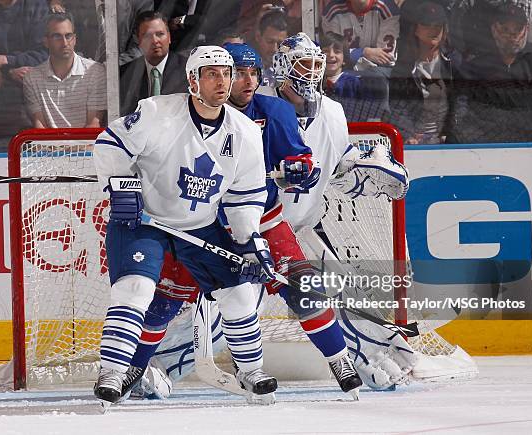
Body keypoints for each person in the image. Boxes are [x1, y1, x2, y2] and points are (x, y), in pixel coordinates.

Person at [108, 42, 365, 401]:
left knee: (303, 287)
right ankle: (133, 368)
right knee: (163, 303)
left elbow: (304, 162)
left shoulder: (273, 112)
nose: (243, 81)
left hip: (262, 221)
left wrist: (299, 169)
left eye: (250, 73)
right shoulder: (185, 114)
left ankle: (340, 361)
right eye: (234, 72)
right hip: (199, 227)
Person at [92, 45, 278, 405]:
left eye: (227, 74)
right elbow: (110, 145)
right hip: (145, 221)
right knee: (135, 290)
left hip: (201, 225)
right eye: (212, 74)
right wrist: (121, 185)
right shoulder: (156, 112)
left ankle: (251, 370)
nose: (222, 81)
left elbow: (244, 197)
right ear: (193, 80)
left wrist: (250, 239)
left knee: (239, 292)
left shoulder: (245, 133)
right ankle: (112, 372)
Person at [449, 1, 532, 143]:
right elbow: (464, 109)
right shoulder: (476, 67)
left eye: (517, 29)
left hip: (531, 144)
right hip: (487, 144)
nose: (512, 35)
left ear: (526, 29)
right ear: (494, 29)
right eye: (505, 29)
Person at [387, 1, 459, 144]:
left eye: (438, 26)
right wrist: (408, 135)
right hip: (414, 144)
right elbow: (396, 108)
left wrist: (450, 133)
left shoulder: (453, 63)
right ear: (416, 29)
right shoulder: (403, 69)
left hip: (447, 143)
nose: (433, 30)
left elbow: (461, 102)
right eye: (427, 25)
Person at [23, 12, 106, 129]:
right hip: (48, 146)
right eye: (57, 36)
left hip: (86, 145)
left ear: (75, 39)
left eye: (68, 36)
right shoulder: (32, 78)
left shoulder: (95, 71)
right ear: (46, 41)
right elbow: (40, 126)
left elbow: (93, 125)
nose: (65, 43)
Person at [119, 11, 187, 116]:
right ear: (138, 40)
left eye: (160, 34)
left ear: (169, 37)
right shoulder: (125, 73)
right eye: (147, 36)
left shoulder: (187, 70)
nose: (155, 41)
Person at [321, 0, 400, 73]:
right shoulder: (332, 11)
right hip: (345, 72)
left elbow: (387, 58)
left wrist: (351, 55)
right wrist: (363, 52)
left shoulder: (386, 7)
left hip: (378, 73)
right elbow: (332, 56)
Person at [252, 9, 289, 86]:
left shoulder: (291, 71)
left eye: (280, 43)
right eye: (270, 41)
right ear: (258, 37)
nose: (275, 49)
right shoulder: (247, 67)